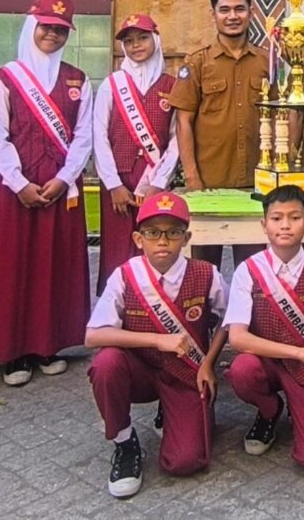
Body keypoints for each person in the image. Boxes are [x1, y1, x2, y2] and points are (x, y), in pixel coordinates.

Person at [0, 0, 93, 386]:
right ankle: (14, 351)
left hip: (60, 187)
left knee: (55, 266)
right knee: (13, 267)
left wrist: (64, 178)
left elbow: (84, 136)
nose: (53, 35)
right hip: (16, 190)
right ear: (31, 27)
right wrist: (19, 183)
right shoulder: (5, 78)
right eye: (46, 27)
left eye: (61, 30)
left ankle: (48, 344)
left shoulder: (77, 79)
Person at [86, 192, 228, 498]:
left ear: (186, 238)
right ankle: (124, 442)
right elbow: (93, 335)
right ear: (138, 239)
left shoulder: (207, 274)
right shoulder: (125, 276)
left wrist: (209, 363)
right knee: (105, 363)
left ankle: (174, 409)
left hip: (185, 372)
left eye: (173, 232)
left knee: (185, 462)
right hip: (139, 370)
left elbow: (230, 320)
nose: (162, 241)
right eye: (152, 233)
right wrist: (156, 340)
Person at [225, 185, 304, 471]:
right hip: (264, 363)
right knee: (242, 370)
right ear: (264, 225)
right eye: (276, 218)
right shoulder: (248, 271)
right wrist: (299, 352)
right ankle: (269, 410)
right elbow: (237, 338)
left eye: (295, 217)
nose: (285, 225)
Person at [169, 0, 268, 266]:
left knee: (253, 270)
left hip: (257, 183)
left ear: (251, 13)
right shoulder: (197, 63)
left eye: (240, 9)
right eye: (224, 10)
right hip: (207, 184)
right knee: (202, 269)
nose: (232, 16)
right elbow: (183, 122)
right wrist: (192, 178)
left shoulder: (267, 61)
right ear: (213, 15)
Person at [92, 13, 179, 293]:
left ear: (156, 40)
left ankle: (158, 305)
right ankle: (117, 307)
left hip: (155, 182)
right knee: (117, 250)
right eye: (129, 41)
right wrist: (113, 184)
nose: (136, 45)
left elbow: (177, 139)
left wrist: (159, 183)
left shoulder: (172, 86)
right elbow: (99, 136)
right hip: (119, 183)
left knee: (157, 245)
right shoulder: (112, 84)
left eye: (142, 38)